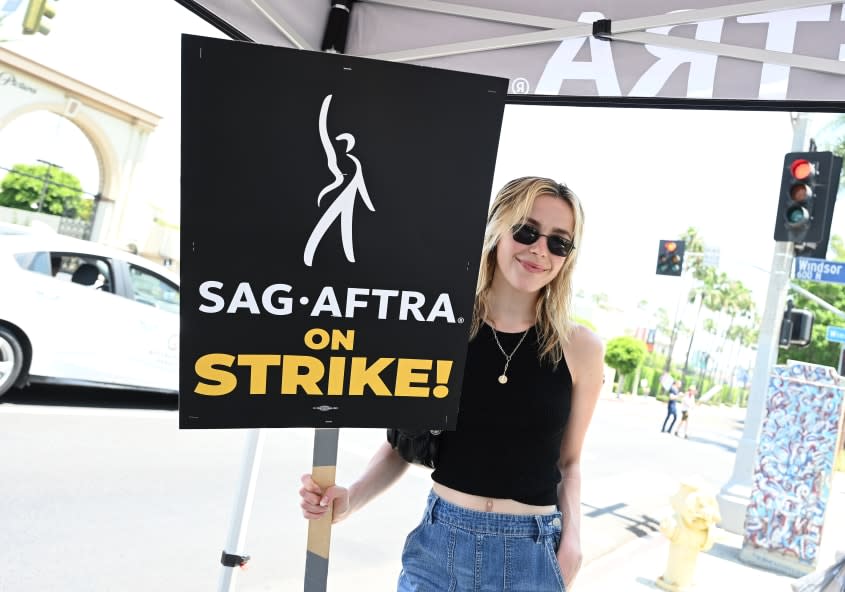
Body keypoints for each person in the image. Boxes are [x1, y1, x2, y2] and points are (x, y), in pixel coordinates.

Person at [299, 176, 605, 591]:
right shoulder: (440, 329)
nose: (539, 249)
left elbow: (568, 464)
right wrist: (349, 499)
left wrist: (573, 545)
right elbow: (401, 445)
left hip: (531, 556)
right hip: (439, 548)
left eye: (559, 242)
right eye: (526, 231)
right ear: (498, 228)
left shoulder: (580, 348)